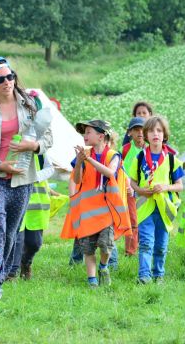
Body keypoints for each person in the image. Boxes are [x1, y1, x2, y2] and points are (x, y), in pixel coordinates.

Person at [0, 56, 52, 299]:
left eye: (10, 76)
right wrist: (0, 165)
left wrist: (33, 146)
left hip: (23, 177)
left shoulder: (30, 103)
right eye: (1, 79)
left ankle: (0, 273)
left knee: (11, 232)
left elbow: (48, 139)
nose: (7, 82)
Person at [61, 120, 131, 288]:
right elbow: (77, 179)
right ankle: (92, 280)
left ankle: (104, 266)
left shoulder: (113, 155)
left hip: (107, 211)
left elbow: (110, 172)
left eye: (88, 132)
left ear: (101, 136)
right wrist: (79, 162)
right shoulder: (83, 155)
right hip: (87, 211)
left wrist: (89, 160)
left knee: (106, 247)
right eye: (84, 133)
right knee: (88, 248)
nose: (85, 136)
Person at [129, 116, 184, 284]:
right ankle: (144, 276)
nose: (155, 134)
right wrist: (139, 190)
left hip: (164, 209)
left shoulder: (172, 159)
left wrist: (166, 187)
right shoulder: (139, 158)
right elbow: (132, 181)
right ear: (145, 135)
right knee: (146, 243)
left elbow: (180, 186)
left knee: (161, 245)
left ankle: (158, 274)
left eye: (159, 131)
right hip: (145, 208)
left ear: (164, 134)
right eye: (151, 131)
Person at [6, 154, 60, 280]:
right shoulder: (12, 143)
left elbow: (50, 168)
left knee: (35, 243)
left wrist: (33, 177)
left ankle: (26, 262)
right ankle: (11, 273)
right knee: (16, 240)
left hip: (36, 208)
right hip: (16, 201)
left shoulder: (40, 150)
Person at [121, 117, 146, 256]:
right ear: (130, 132)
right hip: (130, 191)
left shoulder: (150, 149)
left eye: (142, 130)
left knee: (145, 219)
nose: (140, 133)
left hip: (146, 191)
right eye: (136, 130)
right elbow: (120, 169)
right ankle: (130, 252)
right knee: (132, 220)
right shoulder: (125, 150)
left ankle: (146, 246)